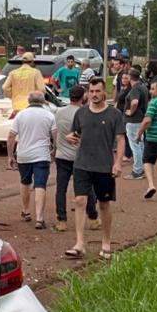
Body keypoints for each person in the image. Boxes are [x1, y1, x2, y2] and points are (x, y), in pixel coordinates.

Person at [63, 78, 125, 260]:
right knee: (80, 201)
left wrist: (118, 163)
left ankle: (106, 242)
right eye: (91, 91)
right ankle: (79, 244)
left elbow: (121, 139)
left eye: (98, 91)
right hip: (82, 164)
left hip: (104, 165)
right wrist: (70, 137)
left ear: (104, 92)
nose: (94, 95)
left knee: (103, 204)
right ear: (87, 93)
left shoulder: (114, 114)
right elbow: (76, 133)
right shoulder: (81, 113)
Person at [53, 85, 100, 233]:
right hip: (81, 157)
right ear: (83, 97)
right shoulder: (86, 113)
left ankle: (62, 220)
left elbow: (55, 131)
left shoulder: (59, 112)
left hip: (61, 155)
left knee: (61, 188)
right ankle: (93, 218)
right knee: (87, 189)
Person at [7, 92, 57, 229]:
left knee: (25, 181)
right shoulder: (49, 115)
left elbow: (11, 136)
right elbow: (55, 135)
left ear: (29, 101)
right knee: (40, 185)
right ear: (43, 101)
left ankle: (26, 211)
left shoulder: (21, 115)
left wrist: (10, 155)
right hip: (42, 154)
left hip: (24, 155)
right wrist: (54, 150)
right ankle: (40, 218)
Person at [122, 69, 150, 180]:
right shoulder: (142, 86)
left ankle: (137, 171)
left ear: (130, 77)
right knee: (140, 144)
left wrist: (130, 111)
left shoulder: (135, 89)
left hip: (134, 120)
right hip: (141, 119)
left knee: (135, 146)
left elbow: (134, 102)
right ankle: (142, 168)